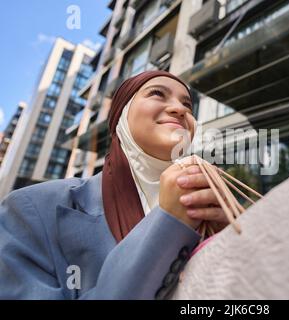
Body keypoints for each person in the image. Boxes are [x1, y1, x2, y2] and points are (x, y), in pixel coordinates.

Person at [0, 70, 229, 299]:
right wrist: (167, 225)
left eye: (187, 104)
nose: (180, 109)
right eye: (157, 93)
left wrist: (228, 238)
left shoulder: (210, 211)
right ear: (121, 114)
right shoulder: (30, 209)